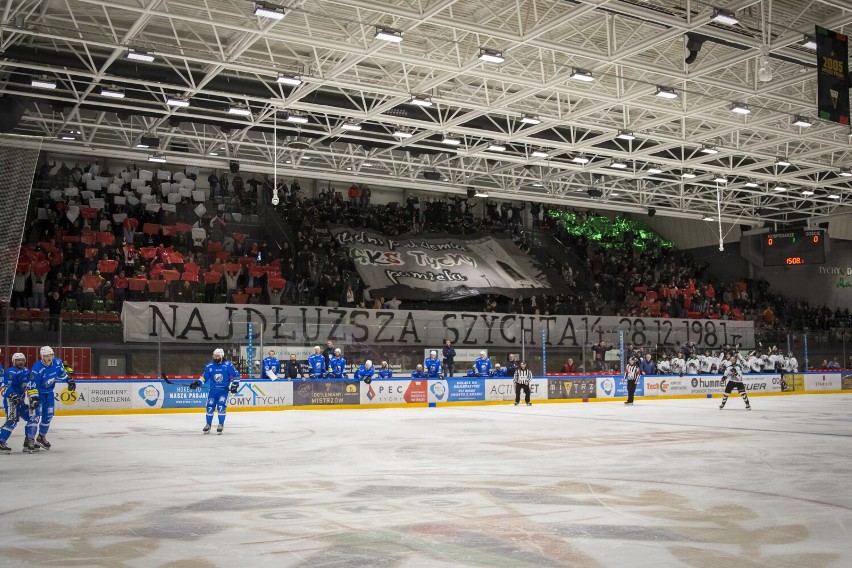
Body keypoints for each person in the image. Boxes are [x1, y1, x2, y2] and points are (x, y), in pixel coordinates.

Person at [30, 345, 74, 449]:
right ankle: (29, 440)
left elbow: (62, 373)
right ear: (42, 356)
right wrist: (34, 398)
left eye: (50, 355)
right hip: (39, 393)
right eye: (46, 356)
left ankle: (41, 437)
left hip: (49, 393)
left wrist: (69, 380)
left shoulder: (58, 363)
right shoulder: (37, 367)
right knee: (35, 416)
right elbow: (32, 384)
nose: (49, 358)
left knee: (48, 416)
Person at [189, 348, 240, 434]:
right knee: (210, 406)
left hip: (223, 391)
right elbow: (204, 377)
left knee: (221, 407)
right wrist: (197, 383)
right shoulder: (209, 366)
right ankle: (208, 425)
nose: (215, 357)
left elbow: (236, 375)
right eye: (214, 356)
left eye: (217, 356)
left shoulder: (228, 365)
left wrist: (235, 385)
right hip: (213, 391)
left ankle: (220, 424)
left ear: (221, 356)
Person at [0, 353, 40, 453]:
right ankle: (1, 442)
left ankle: (28, 441)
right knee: (12, 421)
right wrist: (13, 396)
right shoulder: (10, 372)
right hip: (11, 401)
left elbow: (31, 385)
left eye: (22, 360)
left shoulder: (26, 371)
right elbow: (4, 387)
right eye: (18, 360)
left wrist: (34, 397)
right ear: (14, 361)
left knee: (32, 417)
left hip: (21, 402)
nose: (21, 362)